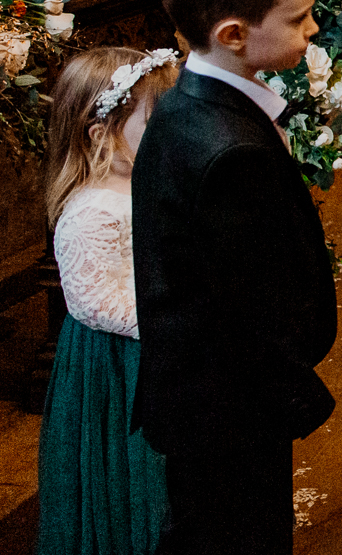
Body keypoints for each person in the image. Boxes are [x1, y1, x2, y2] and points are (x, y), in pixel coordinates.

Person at [133, 0, 338, 554]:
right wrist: (297, 390)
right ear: (233, 35)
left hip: (203, 399)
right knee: (236, 535)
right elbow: (248, 305)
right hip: (230, 407)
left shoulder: (182, 104)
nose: (312, 30)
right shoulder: (230, 153)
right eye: (300, 17)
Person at [37, 47, 178, 555]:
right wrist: (177, 321)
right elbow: (93, 302)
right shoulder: (92, 210)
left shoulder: (144, 182)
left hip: (153, 346)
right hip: (117, 368)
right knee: (130, 474)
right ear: (101, 136)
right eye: (154, 124)